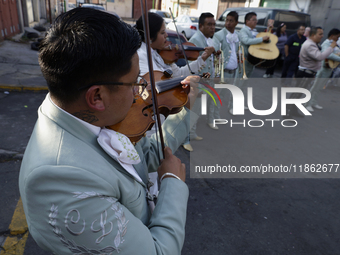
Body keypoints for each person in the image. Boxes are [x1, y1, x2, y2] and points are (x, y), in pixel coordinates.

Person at [19, 8, 200, 255]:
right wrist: (172, 184)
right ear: (97, 96)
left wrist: (186, 110)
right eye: (136, 82)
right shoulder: (60, 180)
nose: (142, 91)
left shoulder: (83, 113)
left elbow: (142, 154)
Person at [135, 12, 215, 152]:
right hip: (150, 121)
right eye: (162, 32)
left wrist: (201, 59)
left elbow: (180, 73)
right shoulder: (141, 56)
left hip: (162, 117)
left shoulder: (158, 53)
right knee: (154, 156)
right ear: (150, 36)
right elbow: (152, 86)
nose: (166, 36)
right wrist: (182, 84)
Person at [285, 26, 336, 117]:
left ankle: (293, 110)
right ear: (313, 35)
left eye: (322, 34)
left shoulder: (313, 43)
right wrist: (331, 48)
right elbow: (320, 57)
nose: (322, 36)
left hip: (308, 72)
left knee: (300, 93)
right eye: (320, 34)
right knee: (297, 94)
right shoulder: (310, 45)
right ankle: (288, 112)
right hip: (305, 73)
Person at [189, 12, 219, 133]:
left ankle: (192, 133)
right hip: (198, 83)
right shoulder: (196, 40)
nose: (212, 27)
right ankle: (187, 138)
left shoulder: (208, 39)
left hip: (207, 80)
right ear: (201, 26)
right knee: (194, 110)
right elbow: (192, 66)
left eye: (214, 24)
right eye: (209, 24)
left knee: (198, 109)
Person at [213, 11, 241, 115]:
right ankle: (211, 119)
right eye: (227, 20)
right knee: (216, 96)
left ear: (236, 23)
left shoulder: (238, 35)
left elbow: (237, 52)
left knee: (223, 96)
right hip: (222, 72)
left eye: (231, 21)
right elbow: (215, 55)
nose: (228, 23)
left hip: (233, 72)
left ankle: (216, 115)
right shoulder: (219, 35)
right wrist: (216, 73)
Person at [305, 28, 340, 111]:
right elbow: (328, 55)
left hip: (328, 68)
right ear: (332, 36)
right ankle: (307, 104)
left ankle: (313, 102)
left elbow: (334, 54)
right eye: (337, 37)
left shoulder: (335, 44)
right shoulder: (326, 43)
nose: (338, 39)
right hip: (322, 68)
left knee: (320, 87)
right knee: (315, 86)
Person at [239, 12, 270, 78]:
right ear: (247, 21)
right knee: (240, 82)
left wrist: (269, 30)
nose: (256, 21)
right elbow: (246, 41)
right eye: (254, 20)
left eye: (256, 20)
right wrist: (262, 39)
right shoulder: (243, 30)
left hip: (251, 60)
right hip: (244, 60)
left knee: (245, 82)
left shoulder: (255, 31)